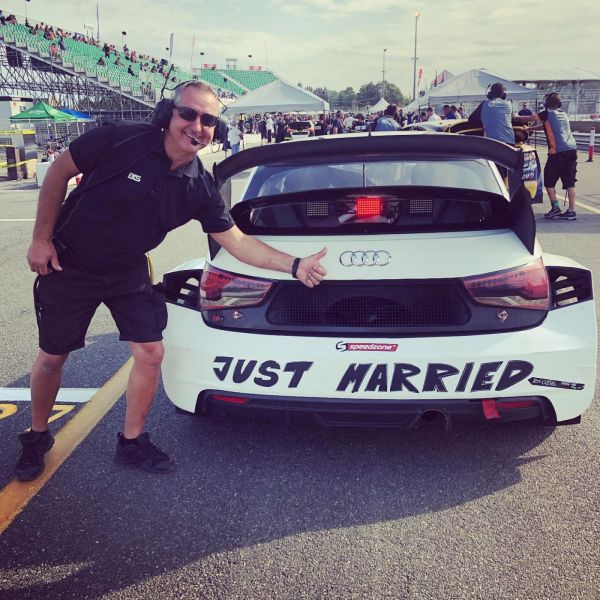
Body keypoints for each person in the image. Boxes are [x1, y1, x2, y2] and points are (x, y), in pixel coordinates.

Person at [15, 81, 328, 481]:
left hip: (127, 269)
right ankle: (37, 435)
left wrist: (295, 265)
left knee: (150, 352)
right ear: (168, 114)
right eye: (188, 114)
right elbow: (58, 173)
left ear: (216, 129)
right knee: (52, 358)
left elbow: (236, 241)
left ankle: (132, 441)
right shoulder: (118, 140)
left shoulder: (200, 187)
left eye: (208, 120)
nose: (197, 126)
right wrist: (41, 239)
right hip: (69, 263)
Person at [526, 92, 578, 220]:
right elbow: (545, 126)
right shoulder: (563, 114)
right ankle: (571, 211)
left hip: (557, 153)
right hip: (572, 150)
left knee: (549, 181)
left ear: (546, 104)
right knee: (570, 183)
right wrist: (529, 129)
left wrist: (516, 117)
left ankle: (555, 208)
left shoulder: (547, 113)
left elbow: (531, 118)